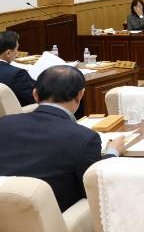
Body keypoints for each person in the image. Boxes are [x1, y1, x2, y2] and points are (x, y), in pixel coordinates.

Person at [0, 66, 124, 211]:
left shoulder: (4, 123)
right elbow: (94, 186)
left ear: (35, 94)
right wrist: (112, 153)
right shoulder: (84, 138)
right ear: (80, 95)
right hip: (58, 216)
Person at [0, 31, 35, 106]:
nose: (17, 53)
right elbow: (35, 98)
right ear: (8, 53)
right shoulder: (17, 74)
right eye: (17, 49)